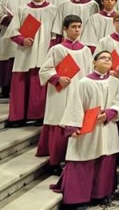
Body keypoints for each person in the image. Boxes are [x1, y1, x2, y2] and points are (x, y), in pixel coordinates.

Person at [54, 51, 119, 207]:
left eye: (109, 59)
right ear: (94, 62)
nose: (107, 60)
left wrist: (108, 114)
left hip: (106, 127)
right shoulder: (84, 82)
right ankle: (77, 197)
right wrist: (72, 127)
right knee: (83, 158)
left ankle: (101, 193)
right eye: (103, 58)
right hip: (88, 129)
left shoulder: (116, 82)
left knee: (105, 159)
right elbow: (75, 105)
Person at [37, 14, 93, 169]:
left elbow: (89, 72)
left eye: (79, 27)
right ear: (65, 29)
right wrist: (57, 78)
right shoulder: (57, 49)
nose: (77, 30)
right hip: (61, 91)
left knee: (75, 121)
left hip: (79, 91)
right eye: (73, 27)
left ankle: (73, 159)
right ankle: (54, 161)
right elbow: (44, 70)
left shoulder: (86, 50)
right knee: (59, 123)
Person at [6, 0, 62, 126]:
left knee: (40, 84)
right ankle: (18, 117)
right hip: (25, 52)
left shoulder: (53, 9)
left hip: (45, 50)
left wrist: (52, 50)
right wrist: (22, 40)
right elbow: (13, 30)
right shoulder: (23, 9)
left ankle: (39, 115)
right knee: (21, 83)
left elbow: (56, 33)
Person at [0, 0, 31, 98]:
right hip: (8, 36)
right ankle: (5, 89)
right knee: (7, 61)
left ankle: (22, 90)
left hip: (26, 35)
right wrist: (9, 19)